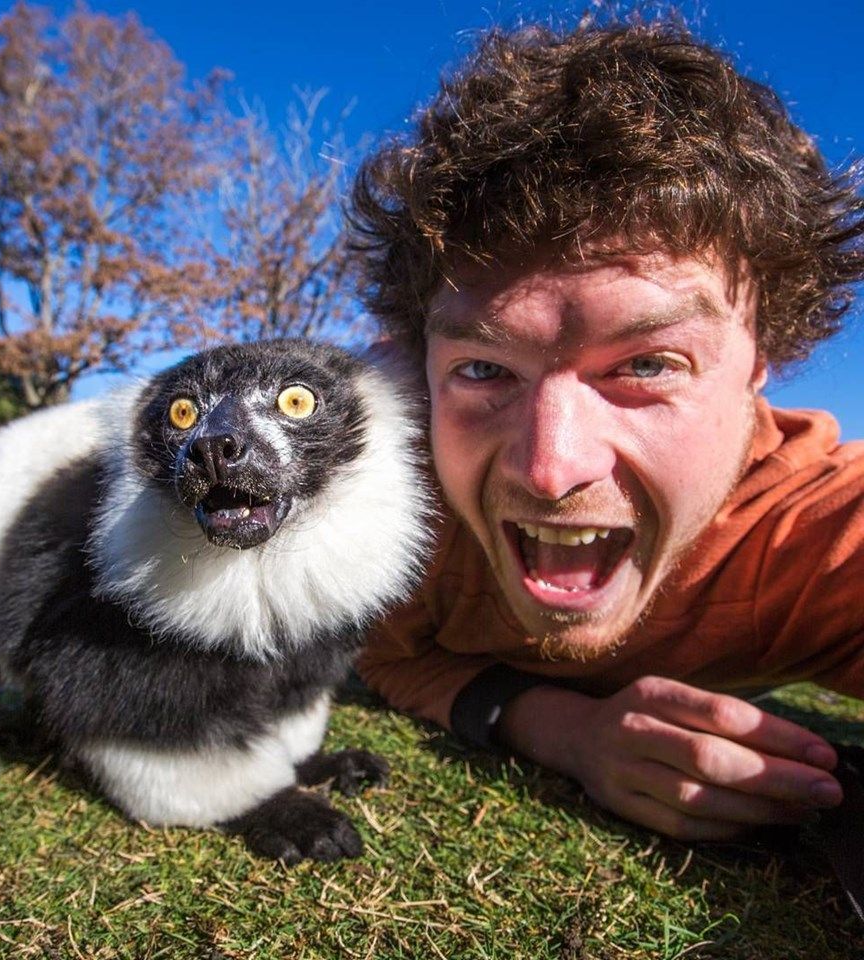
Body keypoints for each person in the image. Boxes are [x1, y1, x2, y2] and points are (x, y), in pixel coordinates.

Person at [348, 16, 864, 841]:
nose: (550, 470)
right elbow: (385, 658)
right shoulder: (398, 517)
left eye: (650, 363)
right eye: (484, 370)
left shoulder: (811, 532)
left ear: (760, 359)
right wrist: (562, 730)